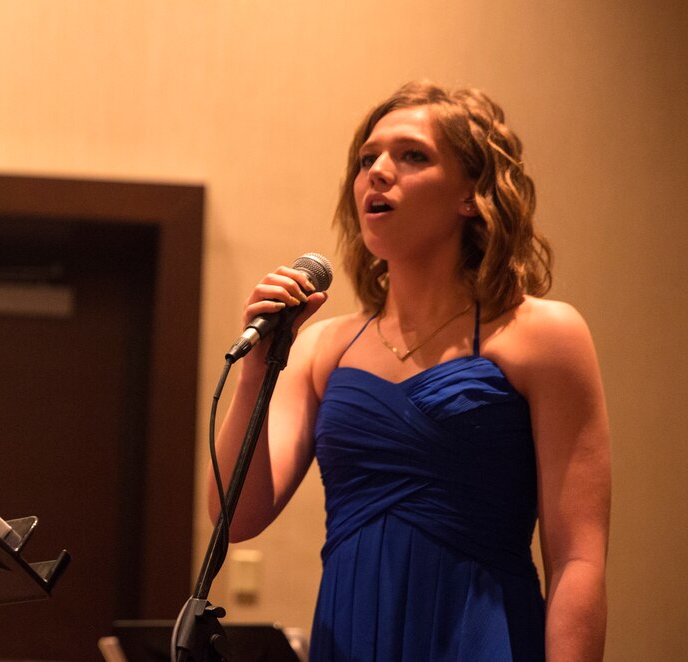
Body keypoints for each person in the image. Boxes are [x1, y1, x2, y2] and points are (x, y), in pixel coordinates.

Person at [210, 81, 611, 661]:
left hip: (481, 633)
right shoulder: (323, 345)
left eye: (412, 155)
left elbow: (578, 559)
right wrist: (255, 372)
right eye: (367, 158)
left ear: (472, 195)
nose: (377, 171)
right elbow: (233, 517)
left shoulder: (543, 335)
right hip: (352, 634)